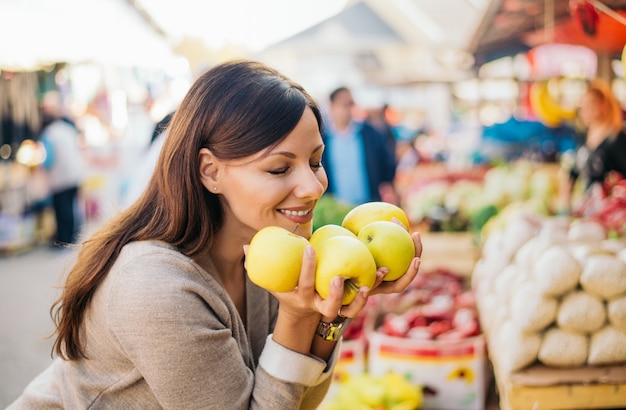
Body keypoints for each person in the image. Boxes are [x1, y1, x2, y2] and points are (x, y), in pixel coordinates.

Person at [9, 60, 422, 410]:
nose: (314, 186)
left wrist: (329, 313)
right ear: (210, 171)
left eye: (315, 161)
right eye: (279, 168)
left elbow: (295, 399)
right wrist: (299, 316)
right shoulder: (157, 288)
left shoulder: (263, 252)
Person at [322, 87, 398, 206]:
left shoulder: (369, 134)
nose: (348, 109)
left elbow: (386, 162)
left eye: (350, 104)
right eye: (343, 104)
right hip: (336, 207)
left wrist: (387, 185)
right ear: (332, 106)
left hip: (368, 204)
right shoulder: (323, 139)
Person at [560, 78, 626, 212]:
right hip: (588, 206)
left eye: (590, 105)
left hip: (611, 210)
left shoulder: (617, 138)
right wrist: (565, 198)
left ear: (603, 105)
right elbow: (574, 170)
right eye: (583, 106)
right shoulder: (584, 136)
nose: (585, 110)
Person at [38, 91, 85, 247]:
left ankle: (64, 241)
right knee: (71, 208)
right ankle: (71, 238)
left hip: (61, 177)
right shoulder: (67, 128)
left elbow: (48, 160)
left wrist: (41, 168)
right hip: (75, 174)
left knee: (62, 210)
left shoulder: (49, 133)